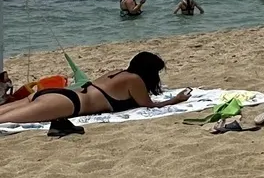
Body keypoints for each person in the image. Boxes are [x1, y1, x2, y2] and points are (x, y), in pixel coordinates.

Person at [0, 51, 192, 136]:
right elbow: (148, 105)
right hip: (68, 103)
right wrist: (175, 100)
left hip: (59, 94)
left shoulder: (117, 72)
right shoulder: (134, 80)